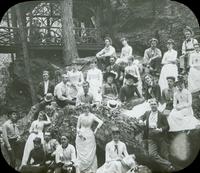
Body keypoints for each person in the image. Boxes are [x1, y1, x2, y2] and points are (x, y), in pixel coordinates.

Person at [138, 99, 174, 172]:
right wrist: (141, 120)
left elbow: (167, 127)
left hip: (160, 136)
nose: (153, 106)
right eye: (151, 104)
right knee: (152, 155)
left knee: (165, 154)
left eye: (154, 104)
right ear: (150, 105)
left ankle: (167, 169)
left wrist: (160, 130)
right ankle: (168, 165)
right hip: (150, 137)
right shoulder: (147, 113)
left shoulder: (162, 115)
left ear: (157, 105)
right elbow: (141, 117)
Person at [76, 104, 103, 173]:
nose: (86, 109)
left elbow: (100, 122)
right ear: (83, 109)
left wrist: (96, 130)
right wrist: (79, 132)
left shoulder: (92, 116)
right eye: (84, 108)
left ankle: (90, 170)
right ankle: (81, 169)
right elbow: (77, 127)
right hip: (81, 135)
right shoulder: (80, 116)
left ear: (89, 109)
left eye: (87, 108)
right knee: (81, 152)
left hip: (89, 135)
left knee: (90, 152)